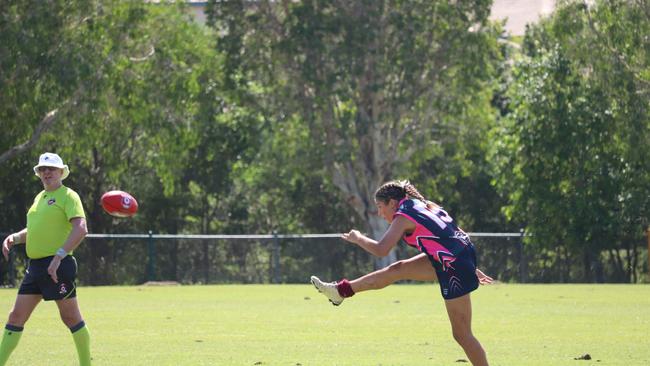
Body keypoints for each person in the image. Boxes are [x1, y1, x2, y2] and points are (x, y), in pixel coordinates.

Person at [310, 180, 491, 366]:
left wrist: (358, 238)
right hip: (457, 257)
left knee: (462, 334)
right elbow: (452, 232)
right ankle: (341, 291)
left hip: (453, 264)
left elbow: (381, 250)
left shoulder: (404, 215)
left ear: (392, 203)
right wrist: (470, 265)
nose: (380, 213)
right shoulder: (419, 204)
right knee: (397, 269)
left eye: (380, 207)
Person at [0, 152, 91, 366]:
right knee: (15, 317)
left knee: (71, 318)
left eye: (51, 168)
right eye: (43, 169)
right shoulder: (39, 198)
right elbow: (34, 230)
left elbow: (81, 228)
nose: (46, 172)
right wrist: (14, 238)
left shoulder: (68, 196)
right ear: (39, 173)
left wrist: (59, 257)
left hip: (58, 266)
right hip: (36, 268)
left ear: (61, 172)